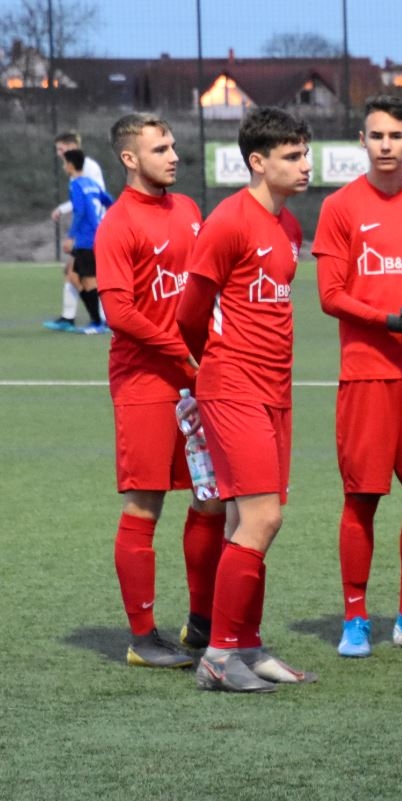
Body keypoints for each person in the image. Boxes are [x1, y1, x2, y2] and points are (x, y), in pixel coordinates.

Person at [176, 106, 316, 692]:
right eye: (292, 156)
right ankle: (218, 656)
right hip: (233, 386)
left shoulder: (290, 227)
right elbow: (188, 315)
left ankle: (247, 647)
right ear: (258, 161)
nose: (305, 165)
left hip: (276, 390)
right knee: (263, 517)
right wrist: (215, 369)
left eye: (305, 153)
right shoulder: (228, 222)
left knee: (246, 520)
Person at [312, 95, 402, 658]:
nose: (386, 145)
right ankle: (355, 618)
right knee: (362, 498)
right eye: (377, 136)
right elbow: (330, 295)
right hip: (367, 375)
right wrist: (389, 320)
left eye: (396, 136)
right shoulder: (340, 207)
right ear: (362, 140)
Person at [94, 112, 225, 669]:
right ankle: (143, 638)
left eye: (172, 146)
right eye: (160, 149)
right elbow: (118, 311)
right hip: (145, 381)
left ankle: (201, 623)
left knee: (210, 497)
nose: (173, 156)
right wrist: (179, 351)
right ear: (130, 158)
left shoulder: (190, 210)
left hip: (198, 377)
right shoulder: (118, 223)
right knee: (145, 503)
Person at [45, 131, 107, 332]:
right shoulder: (78, 173)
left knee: (86, 277)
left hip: (90, 234)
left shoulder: (87, 169)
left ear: (72, 146)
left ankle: (101, 320)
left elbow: (88, 203)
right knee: (72, 273)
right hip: (91, 231)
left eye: (61, 149)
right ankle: (71, 318)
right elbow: (103, 199)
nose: (59, 154)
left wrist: (74, 234)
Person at [61, 149, 113, 334]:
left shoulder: (75, 185)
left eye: (64, 163)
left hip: (87, 240)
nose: (63, 166)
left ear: (70, 165)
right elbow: (110, 201)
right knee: (72, 275)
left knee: (89, 281)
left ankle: (99, 322)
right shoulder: (92, 183)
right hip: (95, 237)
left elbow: (80, 211)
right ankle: (97, 320)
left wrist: (70, 236)